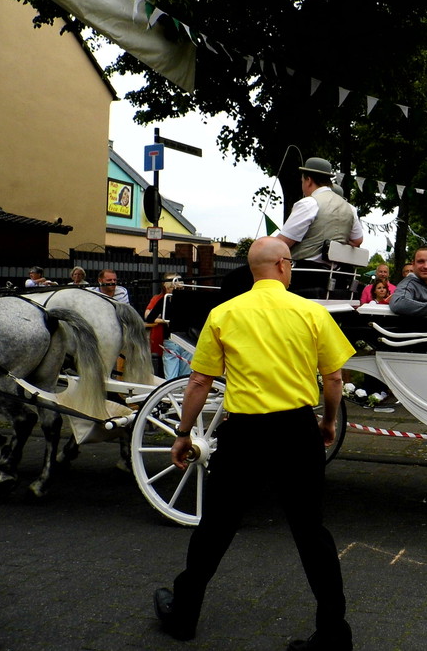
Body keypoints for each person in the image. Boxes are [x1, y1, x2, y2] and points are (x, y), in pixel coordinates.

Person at [152, 237, 355, 650]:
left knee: (216, 526)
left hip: (244, 433)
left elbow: (199, 381)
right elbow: (334, 379)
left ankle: (184, 614)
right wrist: (328, 421)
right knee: (310, 531)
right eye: (291, 263)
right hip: (297, 431)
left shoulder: (225, 313)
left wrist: (184, 432)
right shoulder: (311, 312)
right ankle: (333, 633)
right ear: (282, 265)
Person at [276, 157, 363, 297]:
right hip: (338, 278)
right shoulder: (350, 208)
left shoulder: (309, 203)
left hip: (304, 276)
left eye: (302, 181)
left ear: (308, 180)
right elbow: (357, 240)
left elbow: (280, 244)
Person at [144, 273, 193, 379]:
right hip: (188, 340)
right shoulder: (190, 299)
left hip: (171, 338)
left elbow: (149, 318)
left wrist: (164, 320)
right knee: (185, 377)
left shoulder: (165, 300)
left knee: (171, 377)